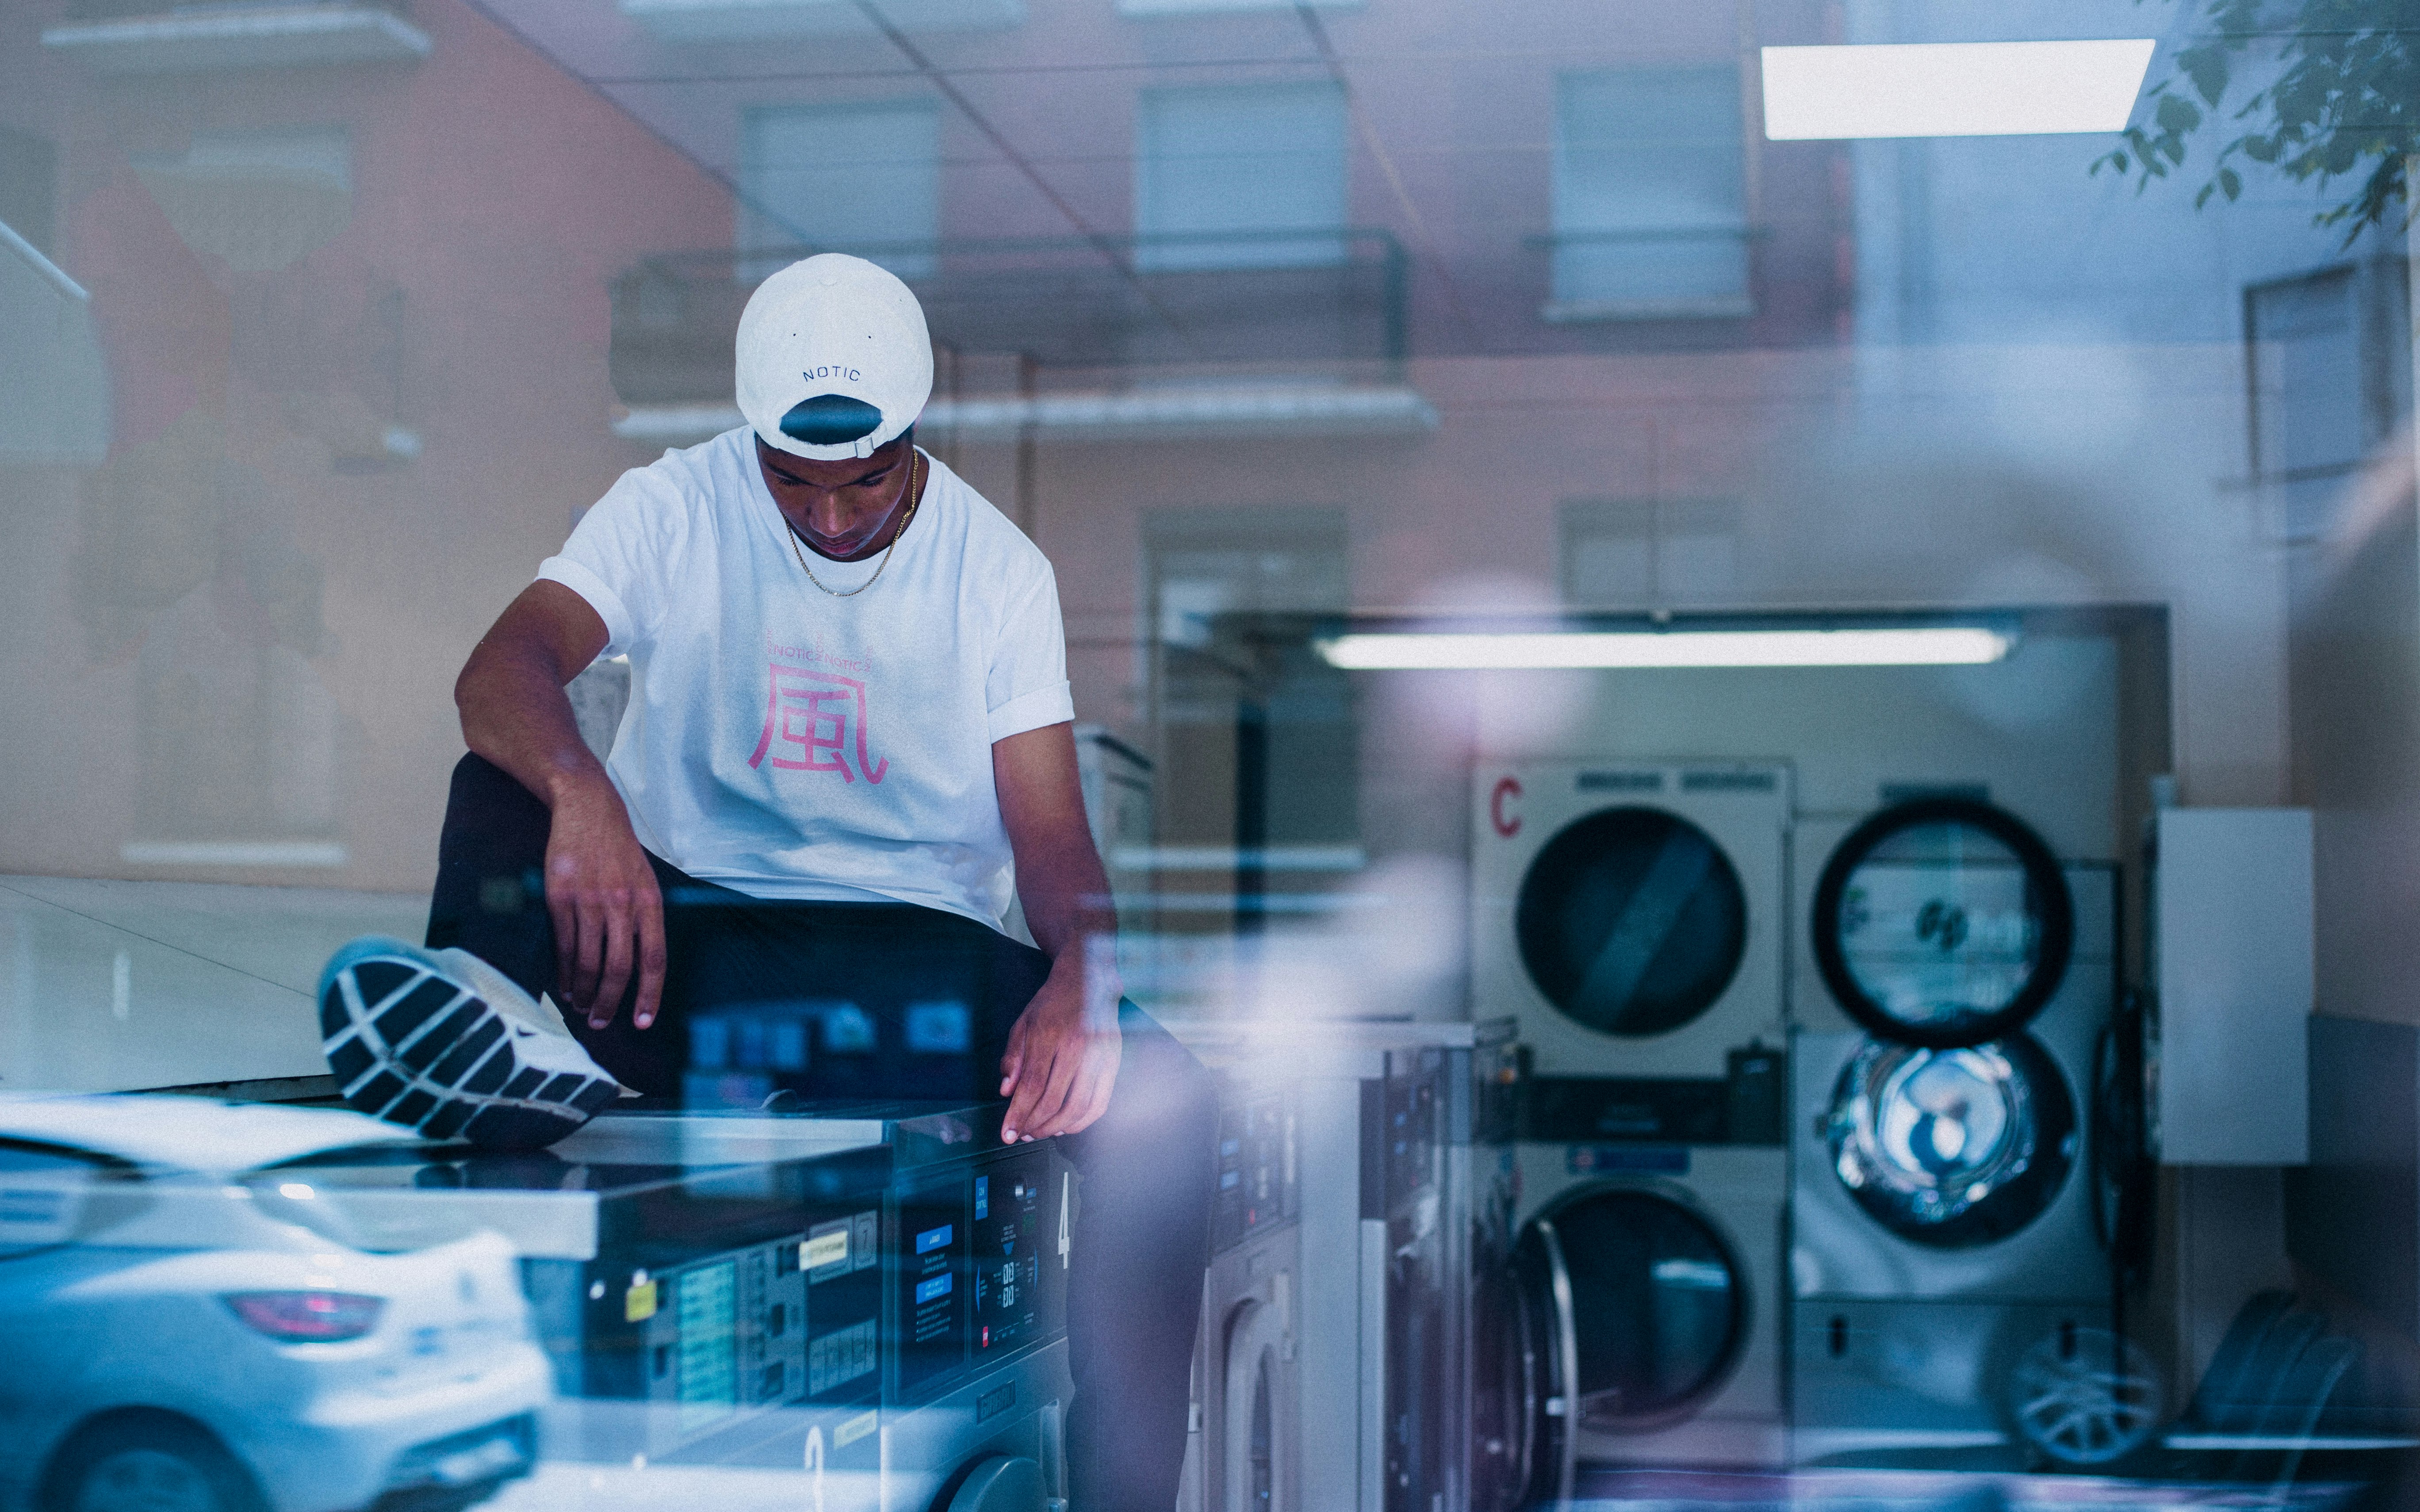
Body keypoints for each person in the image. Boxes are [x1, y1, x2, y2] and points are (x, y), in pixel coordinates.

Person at [340, 253, 1214, 1512]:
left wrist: (1087, 968)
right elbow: (502, 671)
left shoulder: (998, 569)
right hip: (671, 954)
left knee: (1169, 1104)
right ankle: (498, 1035)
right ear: (752, 439)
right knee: (504, 780)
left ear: (910, 432)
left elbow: (1051, 840)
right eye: (793, 482)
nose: (832, 517)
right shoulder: (675, 503)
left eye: (865, 480)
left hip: (903, 979)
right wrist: (588, 797)